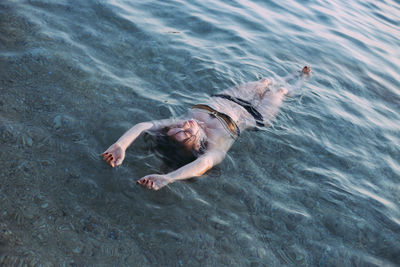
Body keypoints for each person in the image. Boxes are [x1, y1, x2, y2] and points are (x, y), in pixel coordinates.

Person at [102, 66, 311, 190]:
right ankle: (301, 78)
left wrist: (121, 145)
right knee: (280, 91)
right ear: (193, 146)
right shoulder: (214, 146)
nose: (184, 125)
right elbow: (203, 164)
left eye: (178, 128)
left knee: (264, 82)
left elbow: (145, 125)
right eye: (185, 134)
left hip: (228, 98)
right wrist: (168, 178)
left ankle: (291, 73)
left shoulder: (180, 122)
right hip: (253, 116)